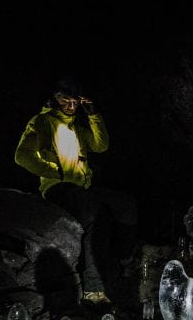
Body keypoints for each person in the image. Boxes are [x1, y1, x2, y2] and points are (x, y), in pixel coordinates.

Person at [14, 76, 137, 307]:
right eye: (65, 101)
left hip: (84, 188)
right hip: (58, 188)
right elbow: (22, 155)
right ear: (56, 98)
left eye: (75, 103)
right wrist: (54, 171)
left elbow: (101, 145)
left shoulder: (78, 126)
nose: (71, 107)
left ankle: (123, 258)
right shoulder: (42, 121)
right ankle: (93, 288)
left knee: (126, 203)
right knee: (93, 213)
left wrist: (92, 114)